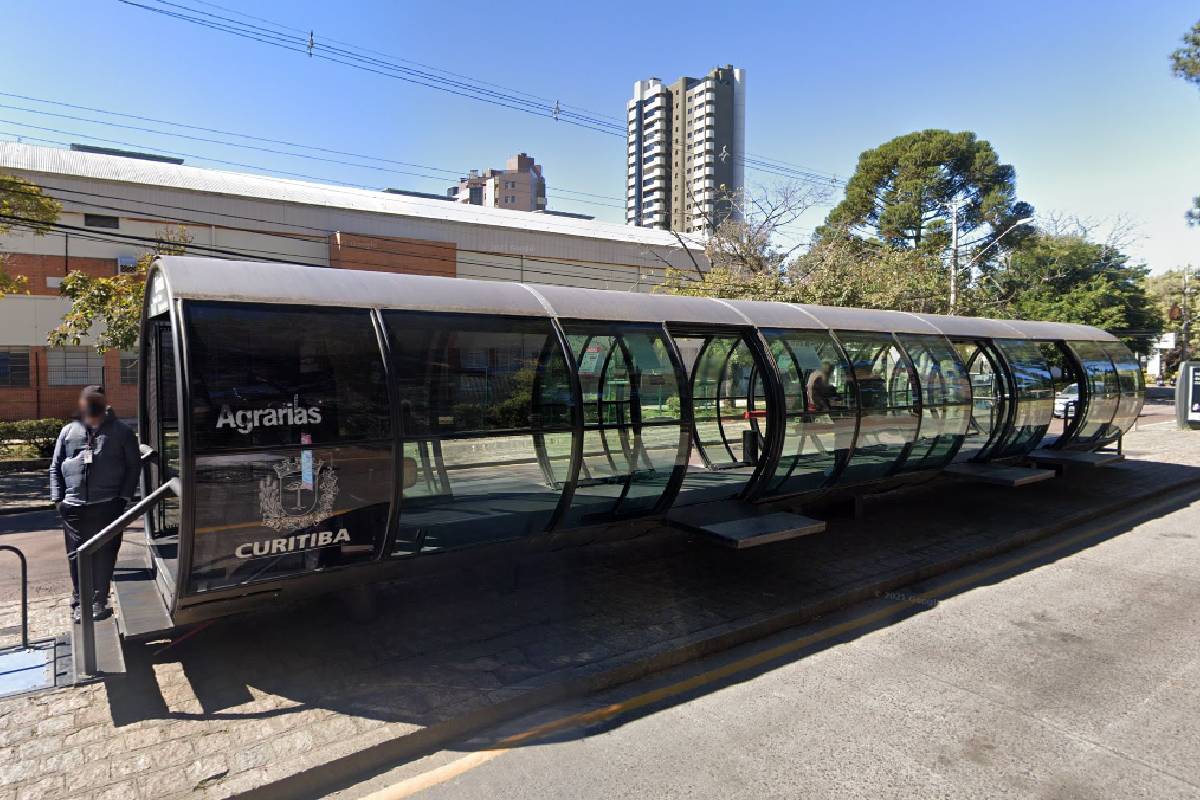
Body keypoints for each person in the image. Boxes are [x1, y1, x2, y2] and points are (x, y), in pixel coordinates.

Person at [49, 386, 140, 623]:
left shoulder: (121, 431)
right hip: (73, 506)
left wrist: (124, 498)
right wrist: (58, 498)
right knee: (76, 555)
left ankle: (99, 600)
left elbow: (133, 466)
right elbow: (55, 465)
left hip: (108, 504)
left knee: (105, 553)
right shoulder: (68, 431)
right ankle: (80, 601)